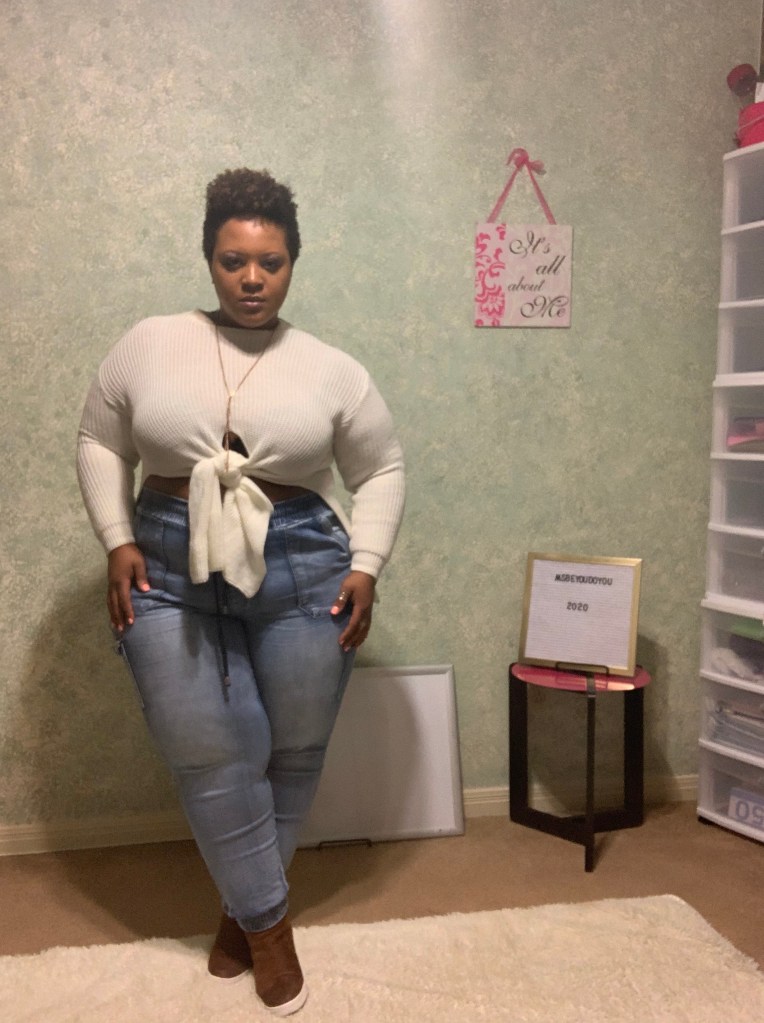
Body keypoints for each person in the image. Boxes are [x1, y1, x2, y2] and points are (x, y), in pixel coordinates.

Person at [76, 168, 405, 1016]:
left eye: (271, 262)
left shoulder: (331, 368)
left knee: (291, 748)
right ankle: (267, 926)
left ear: (293, 263)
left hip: (304, 560)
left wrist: (366, 561)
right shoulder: (149, 342)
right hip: (164, 560)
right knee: (207, 748)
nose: (252, 278)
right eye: (233, 261)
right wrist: (116, 538)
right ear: (209, 259)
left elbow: (382, 467)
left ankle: (238, 908)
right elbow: (100, 440)